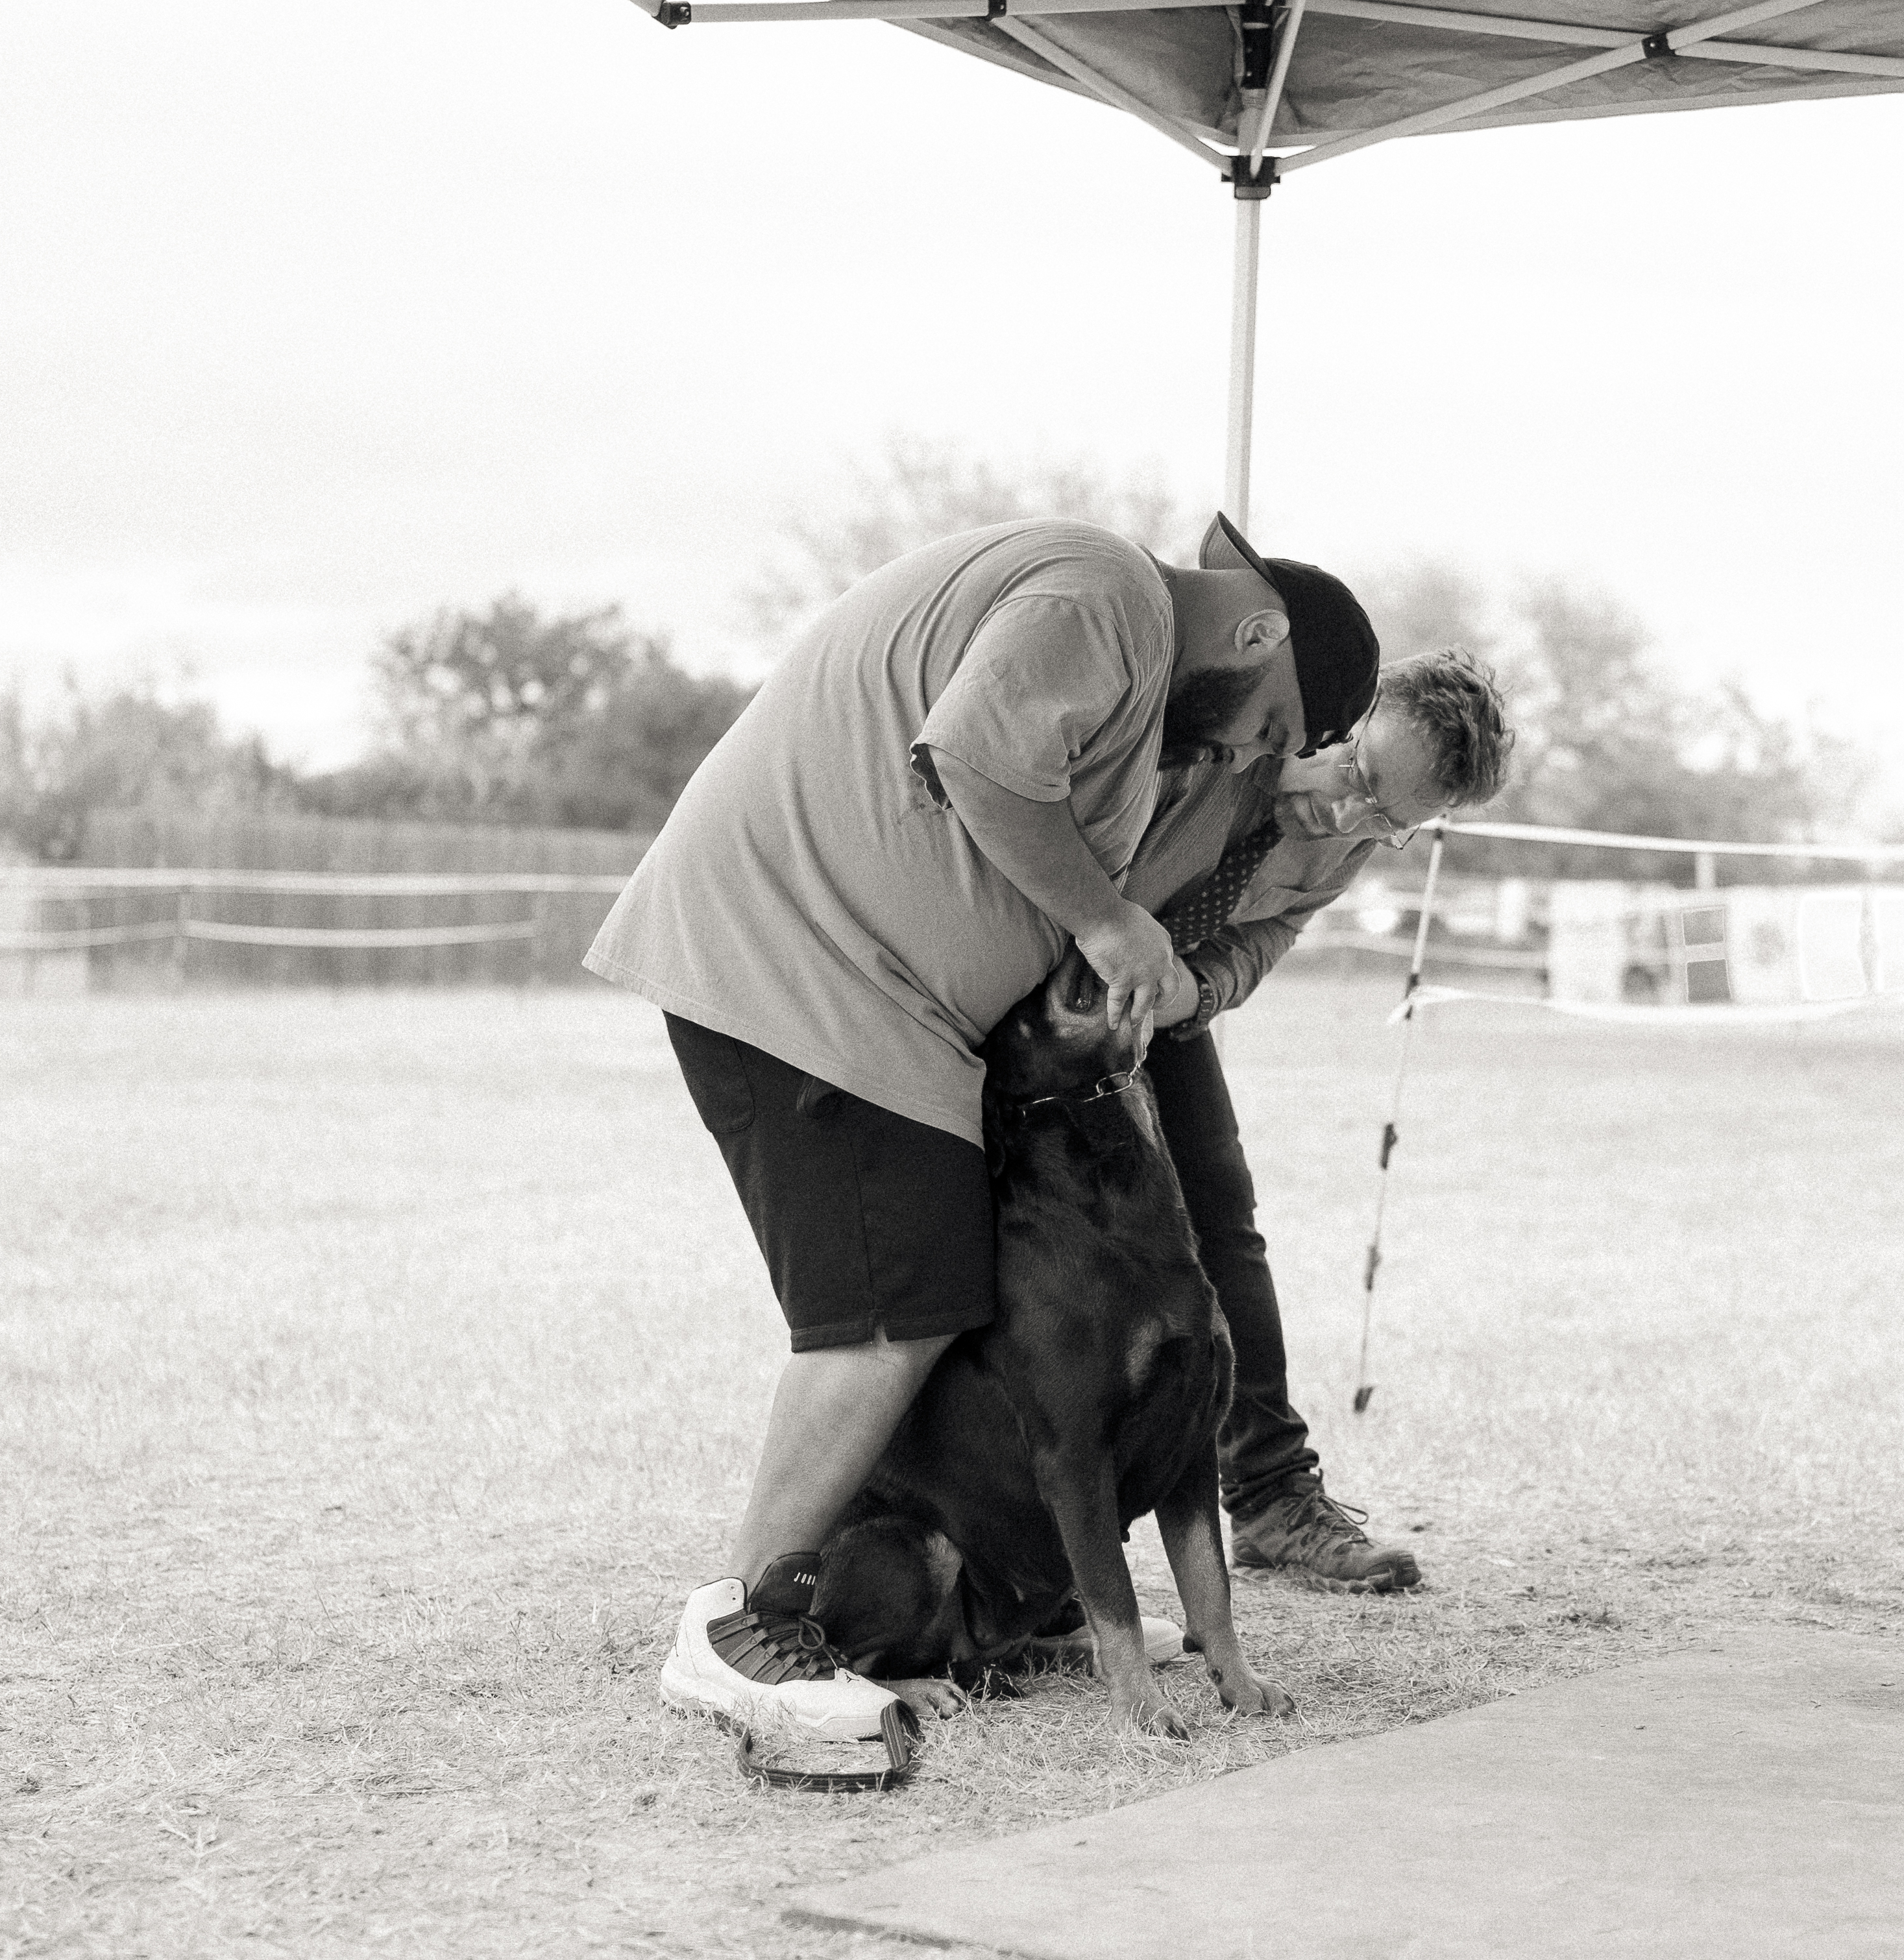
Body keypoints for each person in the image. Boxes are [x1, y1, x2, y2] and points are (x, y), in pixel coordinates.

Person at [585, 513, 1380, 1748]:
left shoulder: (1122, 660)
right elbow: (973, 755)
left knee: (947, 1295)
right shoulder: (1104, 595)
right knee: (890, 1308)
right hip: (806, 972)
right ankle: (744, 1624)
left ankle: (1016, 1599)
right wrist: (1111, 925)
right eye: (1272, 724)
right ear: (1260, 629)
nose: (1248, 751)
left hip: (874, 1000)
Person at [1125, 648, 1515, 1590]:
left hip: (1165, 998)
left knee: (1224, 1221)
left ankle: (1270, 1500)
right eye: (1363, 776)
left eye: (1391, 818)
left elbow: (1266, 936)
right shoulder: (1202, 739)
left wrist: (1194, 991)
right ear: (1345, 710)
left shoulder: (1355, 832)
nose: (1353, 816)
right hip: (1045, 974)